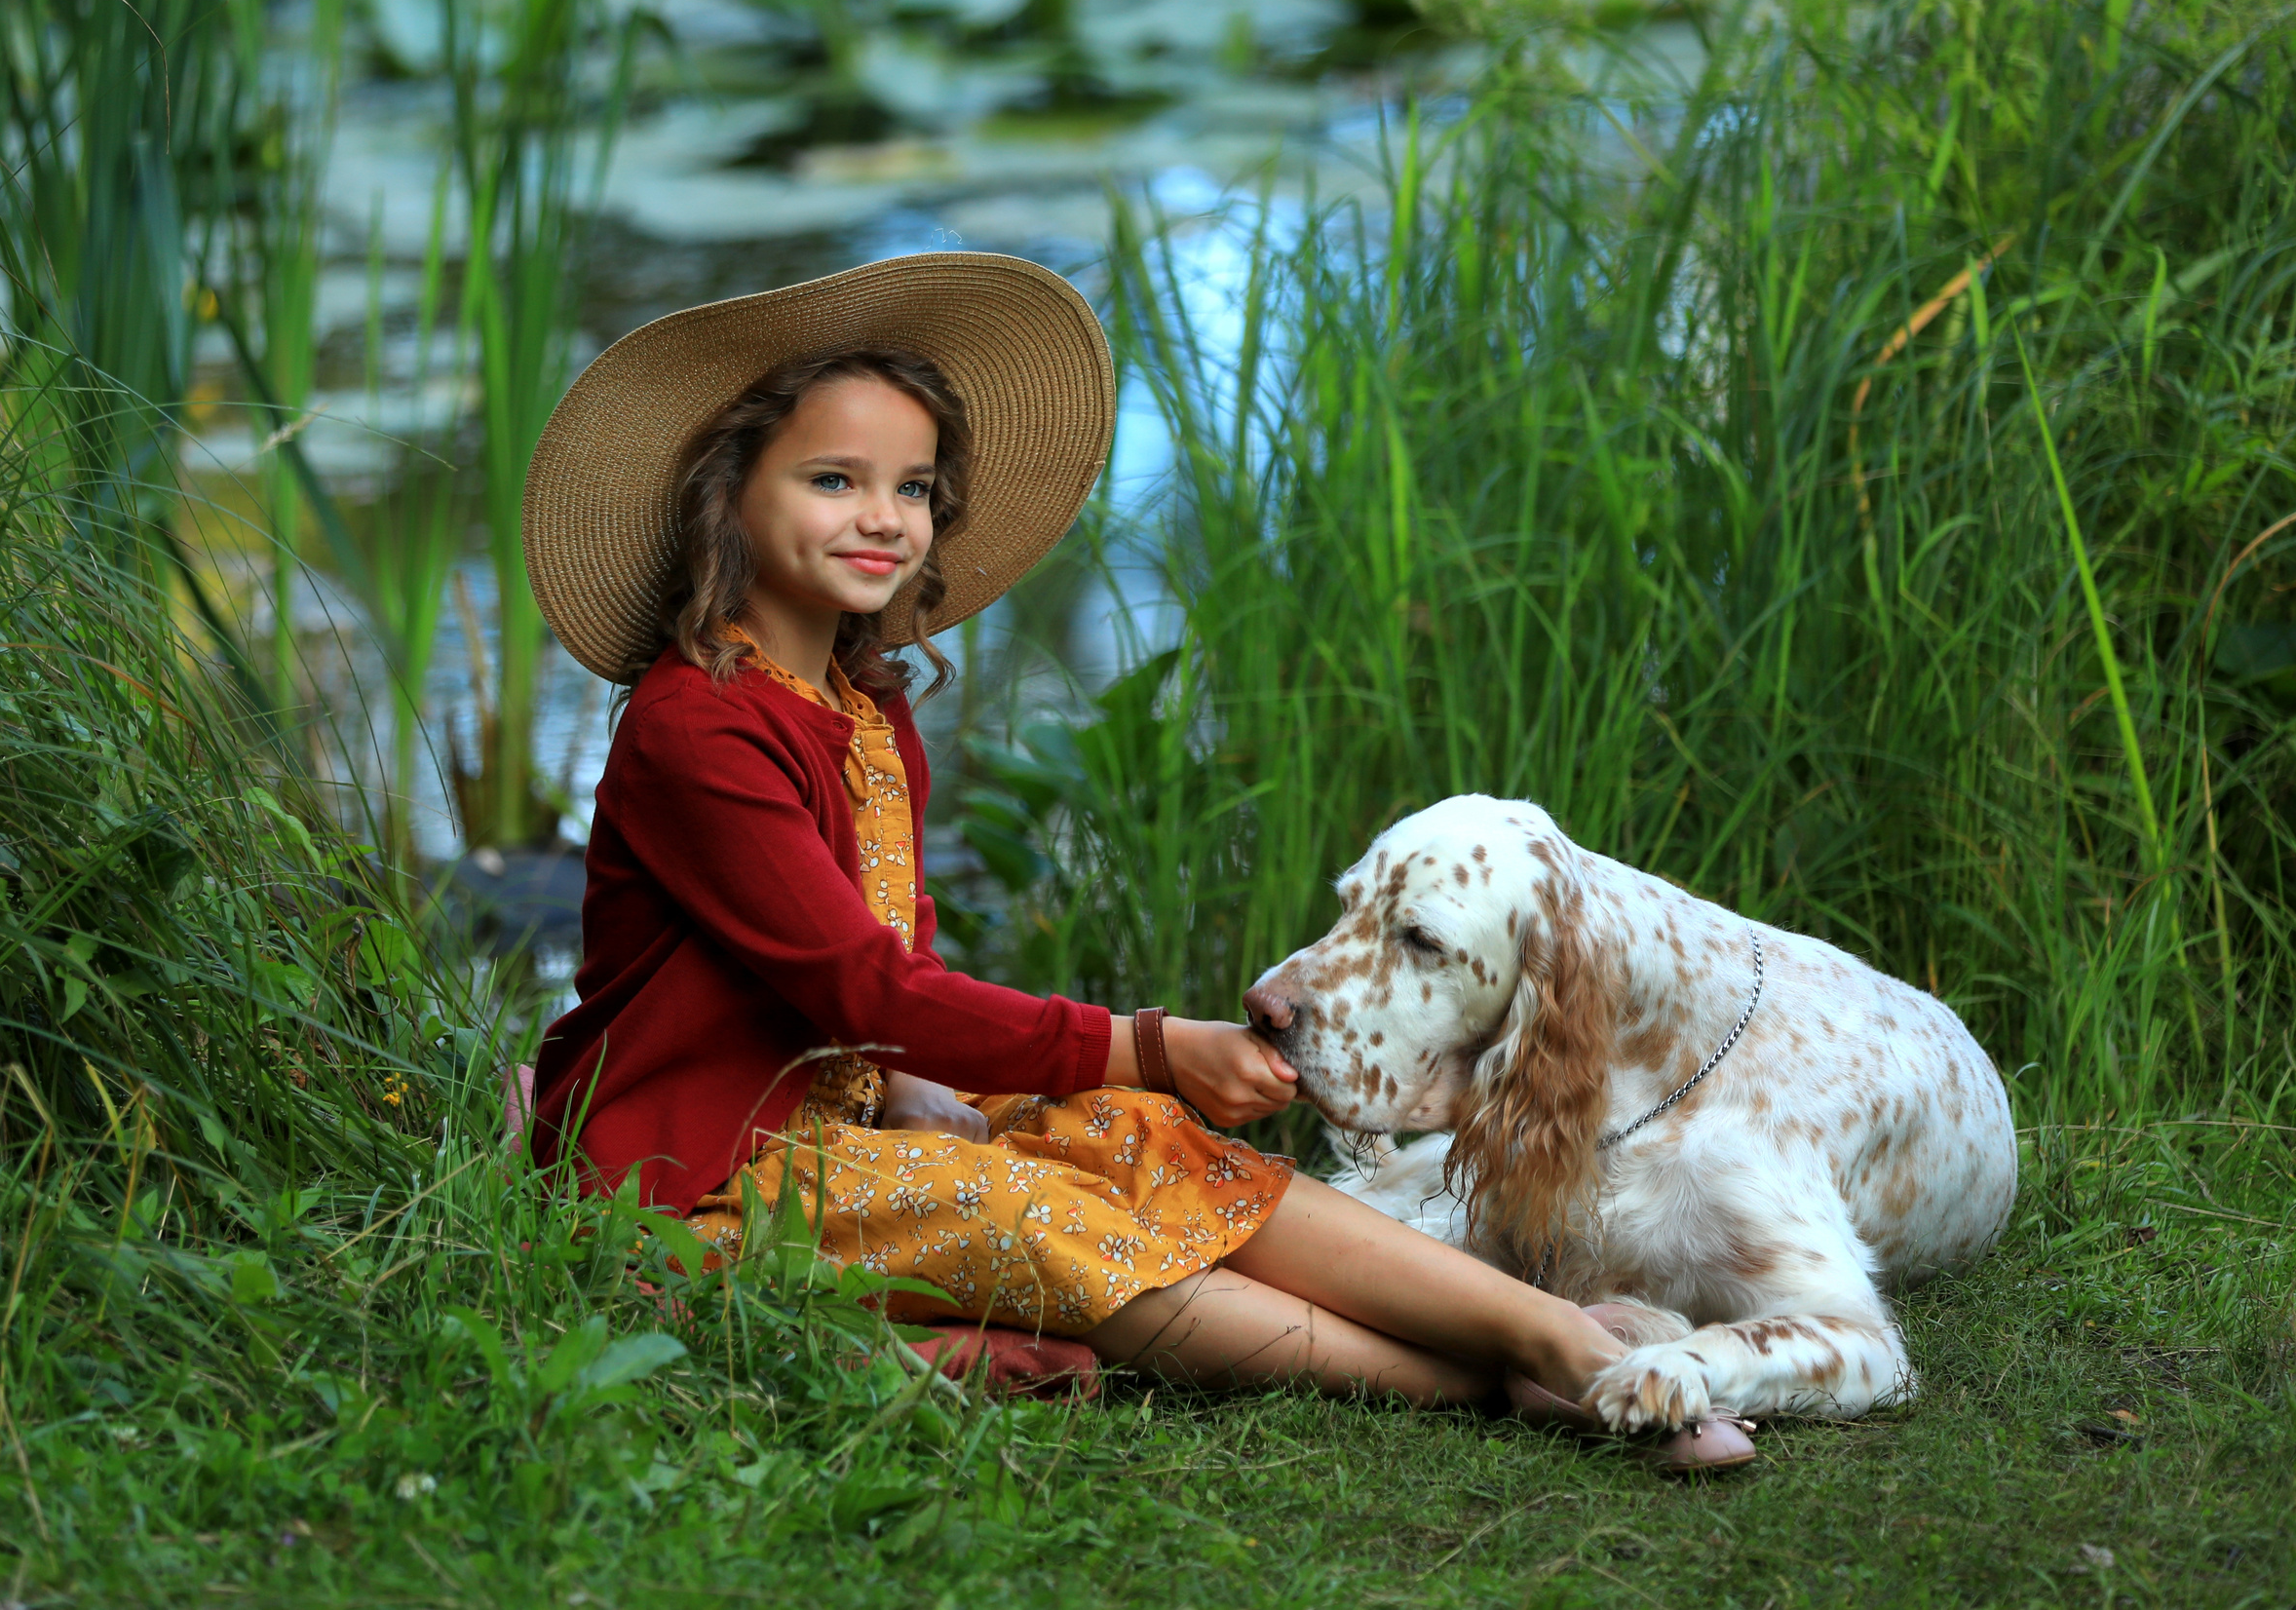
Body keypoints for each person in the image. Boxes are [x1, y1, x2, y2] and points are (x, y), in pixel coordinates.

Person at [520, 254, 1753, 1470]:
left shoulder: (861, 700)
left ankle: (1548, 1330)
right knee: (1026, 1211)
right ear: (729, 496)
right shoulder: (699, 728)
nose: (884, 516)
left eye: (914, 486)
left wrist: (912, 1083)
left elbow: (890, 944)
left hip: (838, 1111)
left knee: (1133, 1136)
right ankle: (1501, 1378)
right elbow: (867, 987)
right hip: (703, 1177)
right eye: (833, 479)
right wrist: (1155, 1043)